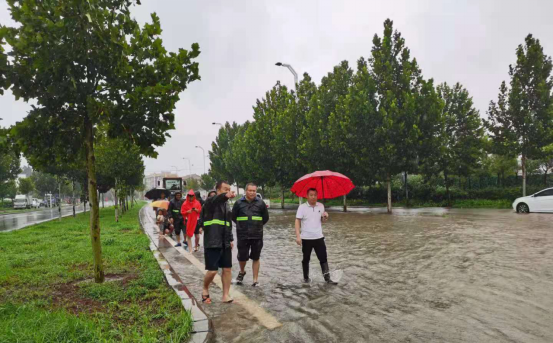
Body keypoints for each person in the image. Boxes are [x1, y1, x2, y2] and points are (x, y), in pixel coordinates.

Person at [201, 181, 235, 304]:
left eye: (229, 189)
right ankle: (205, 288)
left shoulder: (227, 205)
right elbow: (217, 199)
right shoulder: (210, 201)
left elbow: (228, 224)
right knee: (213, 271)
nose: (228, 191)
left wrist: (230, 239)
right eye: (225, 189)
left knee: (227, 269)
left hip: (225, 241)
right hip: (212, 241)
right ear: (218, 190)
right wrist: (225, 196)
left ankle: (225, 295)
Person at [295, 188, 337, 284]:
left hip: (319, 237)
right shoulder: (302, 207)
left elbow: (322, 221)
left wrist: (325, 217)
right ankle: (306, 279)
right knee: (306, 259)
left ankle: (327, 279)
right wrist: (298, 236)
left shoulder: (321, 206)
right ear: (307, 196)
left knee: (323, 258)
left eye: (315, 195)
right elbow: (297, 221)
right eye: (311, 195)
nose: (313, 197)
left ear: (317, 196)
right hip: (306, 238)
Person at [232, 183, 269, 287]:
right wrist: (241, 226)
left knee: (256, 257)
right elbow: (233, 217)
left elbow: (265, 218)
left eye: (254, 190)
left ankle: (255, 280)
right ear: (245, 191)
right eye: (250, 190)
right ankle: (242, 271)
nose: (252, 192)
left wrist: (257, 226)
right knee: (242, 257)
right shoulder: (238, 203)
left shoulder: (261, 203)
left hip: (257, 235)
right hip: (242, 235)